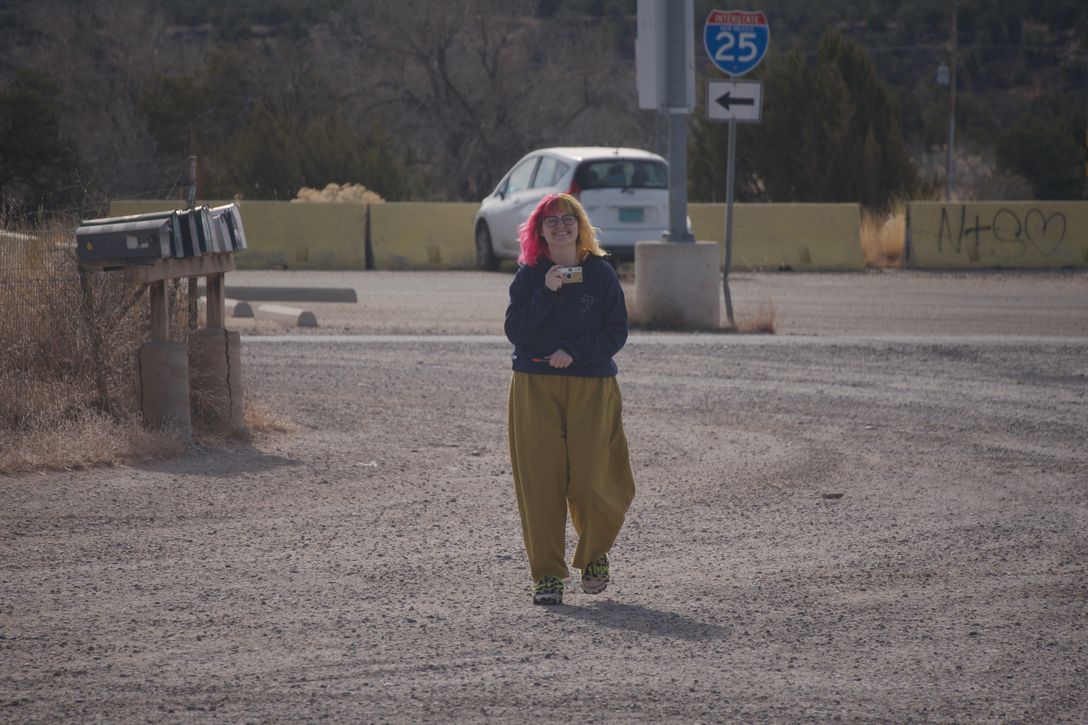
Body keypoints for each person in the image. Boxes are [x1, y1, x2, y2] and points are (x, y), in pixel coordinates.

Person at [504, 192, 636, 605]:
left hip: (591, 387)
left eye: (568, 218)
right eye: (550, 221)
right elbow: (517, 332)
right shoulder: (529, 275)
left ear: (580, 225)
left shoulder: (600, 274)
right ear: (539, 231)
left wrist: (575, 352)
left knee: (593, 477)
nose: (560, 226)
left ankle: (595, 554)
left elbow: (616, 331)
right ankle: (547, 576)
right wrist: (546, 290)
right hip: (534, 386)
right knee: (540, 483)